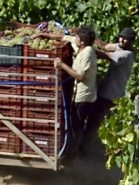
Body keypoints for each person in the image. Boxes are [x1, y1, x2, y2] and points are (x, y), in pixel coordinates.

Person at [35, 26, 98, 159]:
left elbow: (80, 76)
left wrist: (62, 65)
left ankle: (73, 155)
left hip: (84, 97)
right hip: (77, 93)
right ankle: (72, 151)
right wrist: (42, 35)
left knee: (77, 125)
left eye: (77, 37)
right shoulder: (80, 47)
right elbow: (62, 37)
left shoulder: (87, 53)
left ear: (82, 41)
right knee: (74, 122)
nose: (74, 38)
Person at [78, 27, 136, 153]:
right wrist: (90, 38)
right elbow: (105, 46)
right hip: (104, 89)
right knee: (88, 115)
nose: (122, 40)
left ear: (132, 42)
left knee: (94, 120)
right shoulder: (120, 47)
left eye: (126, 39)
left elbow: (107, 56)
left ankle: (83, 150)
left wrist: (88, 49)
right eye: (121, 37)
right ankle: (81, 143)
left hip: (110, 94)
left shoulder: (126, 54)